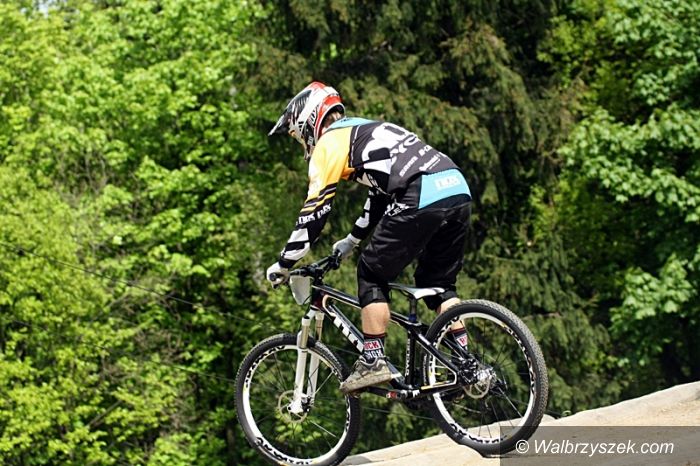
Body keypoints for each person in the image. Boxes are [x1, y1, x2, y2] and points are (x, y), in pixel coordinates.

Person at [266, 82, 472, 393]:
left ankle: (374, 359)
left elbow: (315, 211)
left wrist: (284, 262)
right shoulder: (363, 128)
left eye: (298, 136)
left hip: (421, 192)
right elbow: (379, 195)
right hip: (456, 186)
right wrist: (351, 240)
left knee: (371, 273)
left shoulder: (329, 143)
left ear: (308, 122)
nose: (302, 144)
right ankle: (465, 366)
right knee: (439, 286)